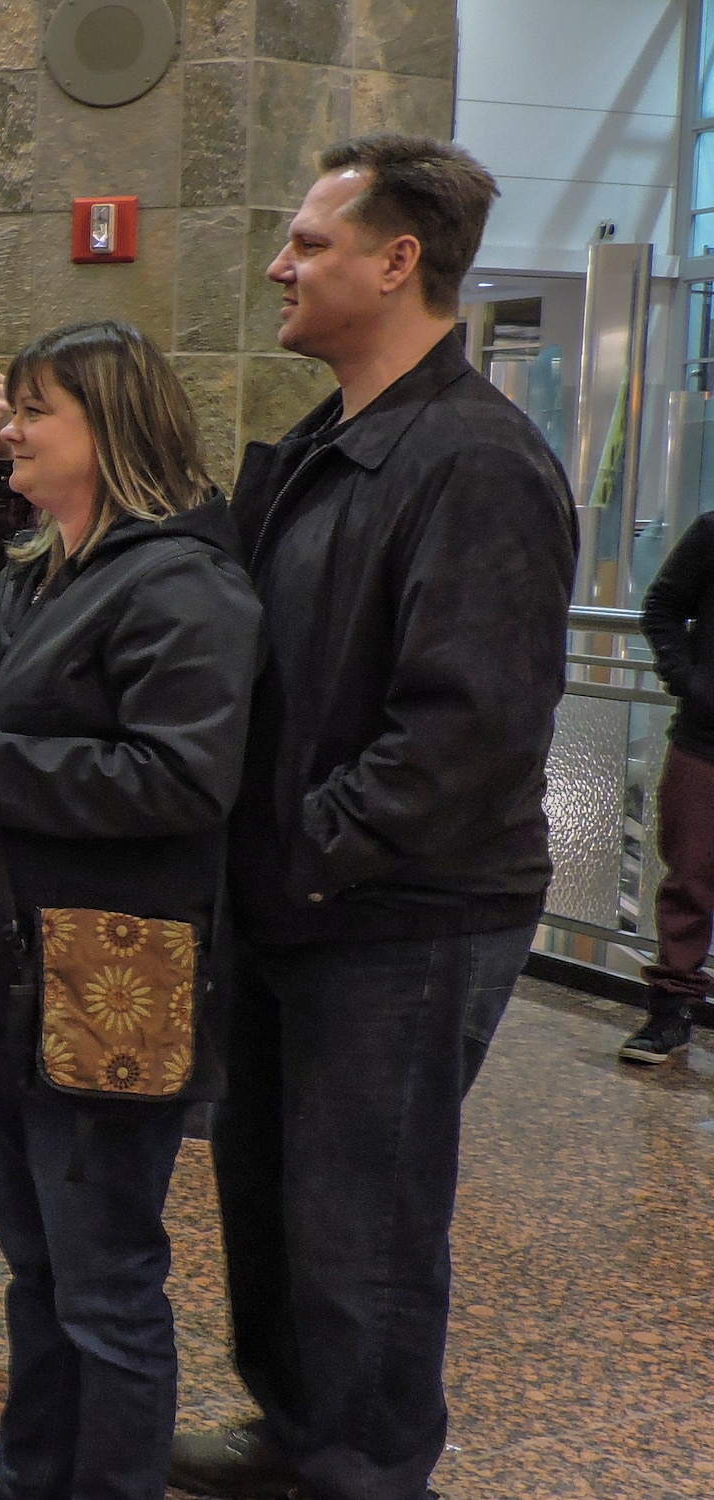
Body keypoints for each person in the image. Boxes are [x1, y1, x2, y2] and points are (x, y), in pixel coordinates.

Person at [170, 135, 578, 1500]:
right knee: (272, 1203)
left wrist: (302, 851)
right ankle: (298, 1432)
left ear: (398, 260)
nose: (281, 265)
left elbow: (468, 728)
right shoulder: (322, 447)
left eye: (311, 243)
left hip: (398, 916)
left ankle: (367, 1472)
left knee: (366, 1232)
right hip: (301, 901)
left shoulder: (475, 462)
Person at [0, 321, 261, 1499]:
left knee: (103, 1285)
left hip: (105, 984)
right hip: (2, 971)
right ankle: (28, 1477)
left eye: (35, 411)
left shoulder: (183, 582)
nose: (9, 431)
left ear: (108, 426)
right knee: (34, 1271)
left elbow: (183, 777)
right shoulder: (36, 569)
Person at [620, 510, 714, 1063]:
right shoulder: (711, 531)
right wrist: (694, 686)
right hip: (705, 741)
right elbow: (661, 610)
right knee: (691, 878)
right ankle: (670, 1013)